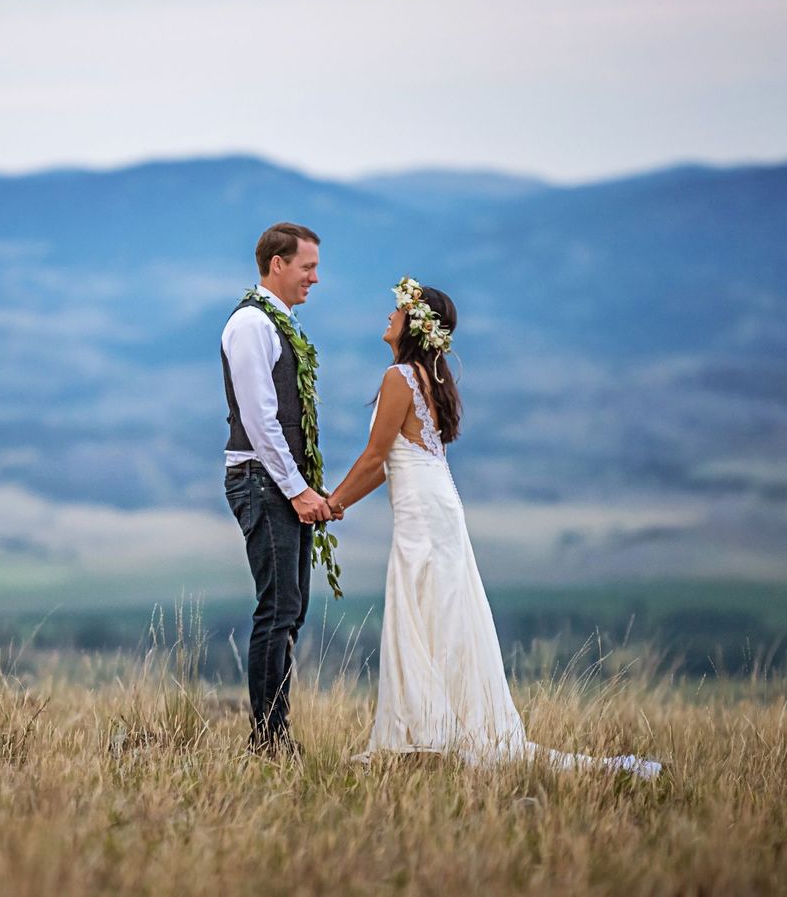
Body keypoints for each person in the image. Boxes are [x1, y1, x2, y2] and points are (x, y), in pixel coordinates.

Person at [324, 278, 664, 778]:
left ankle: (429, 736)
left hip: (424, 513)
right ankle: (429, 732)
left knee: (424, 611)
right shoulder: (425, 377)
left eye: (396, 311)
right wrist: (339, 503)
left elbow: (376, 455)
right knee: (435, 612)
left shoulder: (400, 376)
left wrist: (330, 503)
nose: (388, 317)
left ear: (414, 325)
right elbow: (383, 465)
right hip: (434, 506)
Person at [221, 222, 332, 756]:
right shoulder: (250, 324)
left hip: (281, 483)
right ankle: (268, 740)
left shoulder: (280, 323)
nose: (315, 277)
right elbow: (261, 418)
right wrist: (295, 489)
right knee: (277, 608)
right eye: (307, 266)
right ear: (277, 264)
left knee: (291, 608)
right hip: (262, 482)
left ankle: (275, 733)